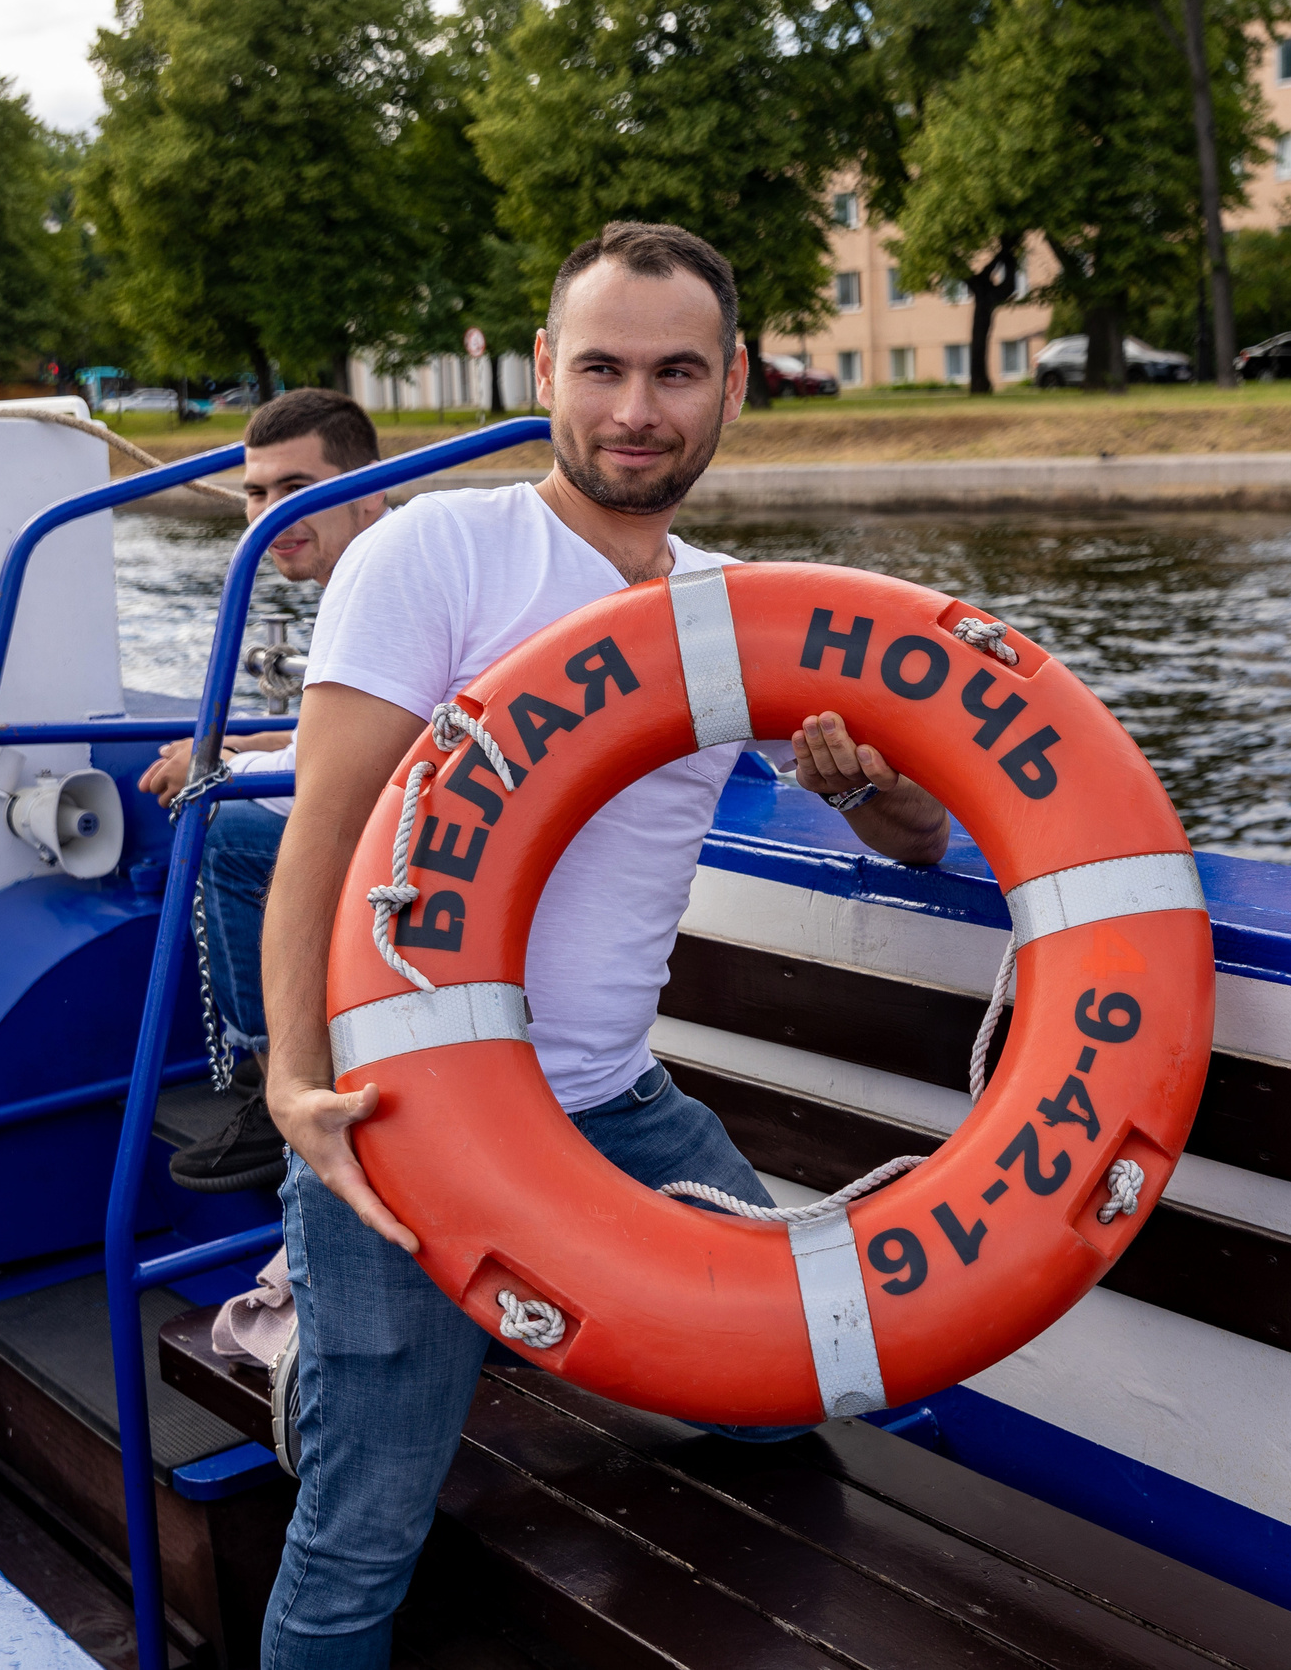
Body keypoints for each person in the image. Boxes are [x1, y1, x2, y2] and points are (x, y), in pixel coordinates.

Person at [258, 222, 951, 1666]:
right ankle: (336, 1357)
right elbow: (317, 839)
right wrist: (290, 1085)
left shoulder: (731, 614)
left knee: (782, 1380)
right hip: (403, 1118)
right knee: (358, 1533)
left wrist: (861, 779)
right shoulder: (438, 554)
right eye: (606, 367)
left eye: (677, 371)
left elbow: (923, 836)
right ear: (545, 371)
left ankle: (394, 1344)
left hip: (615, 1105)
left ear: (734, 385)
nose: (638, 407)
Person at [139, 388, 389, 1192]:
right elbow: (358, 728)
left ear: (368, 492)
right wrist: (254, 743)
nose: (271, 511)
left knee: (227, 835)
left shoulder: (387, 586)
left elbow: (363, 771)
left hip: (421, 849)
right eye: (257, 491)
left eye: (297, 487)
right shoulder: (364, 579)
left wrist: (215, 773)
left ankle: (270, 1072)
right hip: (395, 825)